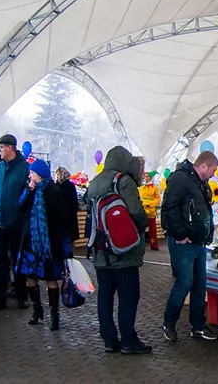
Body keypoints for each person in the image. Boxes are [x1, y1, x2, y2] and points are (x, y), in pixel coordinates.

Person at [87, 146, 151, 355]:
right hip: (124, 251)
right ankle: (128, 340)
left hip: (100, 251)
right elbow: (136, 211)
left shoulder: (95, 182)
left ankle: (109, 339)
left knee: (105, 295)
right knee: (128, 296)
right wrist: (142, 228)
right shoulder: (124, 181)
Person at [160, 152, 218, 342]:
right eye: (212, 170)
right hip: (183, 243)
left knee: (199, 285)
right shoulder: (180, 179)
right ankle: (169, 323)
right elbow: (170, 207)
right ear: (203, 166)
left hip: (198, 242)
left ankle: (198, 326)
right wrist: (180, 234)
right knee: (184, 283)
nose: (213, 175)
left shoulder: (199, 183)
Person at [16, 159, 72, 331]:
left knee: (51, 278)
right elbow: (19, 207)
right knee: (29, 277)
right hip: (30, 242)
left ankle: (54, 315)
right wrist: (28, 191)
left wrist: (65, 247)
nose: (30, 175)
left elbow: (62, 220)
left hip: (50, 243)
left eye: (32, 172)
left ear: (40, 174)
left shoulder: (53, 192)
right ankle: (37, 309)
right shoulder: (30, 190)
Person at [0, 134, 30, 311]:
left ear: (10, 147)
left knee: (18, 259)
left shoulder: (24, 168)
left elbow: (27, 191)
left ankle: (21, 294)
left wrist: (18, 209)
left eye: (1, 147)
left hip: (16, 222)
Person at [55, 167, 81, 246]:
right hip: (69, 217)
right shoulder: (70, 186)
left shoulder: (56, 186)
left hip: (63, 216)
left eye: (59, 174)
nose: (58, 176)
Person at [138, 172, 161, 251]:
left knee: (152, 230)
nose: (146, 178)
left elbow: (157, 199)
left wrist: (150, 204)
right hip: (142, 211)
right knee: (140, 229)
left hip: (151, 211)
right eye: (145, 176)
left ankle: (154, 244)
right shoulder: (141, 188)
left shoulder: (155, 188)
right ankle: (140, 245)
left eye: (147, 176)